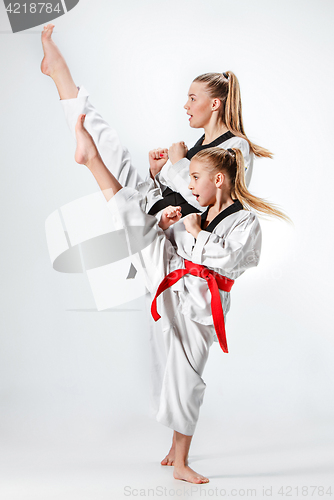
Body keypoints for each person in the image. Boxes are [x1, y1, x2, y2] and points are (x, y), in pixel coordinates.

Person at [73, 112, 288, 484]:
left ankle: (180, 460)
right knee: (135, 223)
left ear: (218, 180)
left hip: (202, 302)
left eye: (194, 179)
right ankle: (92, 159)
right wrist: (167, 220)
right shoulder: (199, 210)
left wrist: (194, 232)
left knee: (187, 378)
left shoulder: (245, 222)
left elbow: (230, 260)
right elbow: (175, 230)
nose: (189, 187)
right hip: (173, 271)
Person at [40, 24, 272, 217]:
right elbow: (178, 189)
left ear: (214, 104)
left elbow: (213, 204)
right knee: (111, 149)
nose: (186, 105)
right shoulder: (199, 146)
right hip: (158, 206)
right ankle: (61, 76)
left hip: (174, 230)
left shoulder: (236, 146)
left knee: (112, 166)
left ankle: (62, 79)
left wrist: (179, 162)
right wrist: (156, 173)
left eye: (193, 98)